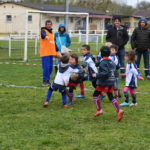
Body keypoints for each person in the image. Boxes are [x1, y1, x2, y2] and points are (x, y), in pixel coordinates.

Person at [92, 46, 124, 121]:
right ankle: (119, 110)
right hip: (111, 81)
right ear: (109, 53)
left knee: (95, 95)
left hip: (104, 82)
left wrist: (97, 75)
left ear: (101, 54)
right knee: (110, 96)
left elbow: (105, 72)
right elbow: (117, 67)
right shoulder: (111, 61)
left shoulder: (103, 62)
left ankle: (99, 110)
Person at [40, 20, 60, 86]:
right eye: (48, 24)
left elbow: (54, 43)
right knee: (46, 67)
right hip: (45, 53)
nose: (49, 25)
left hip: (51, 53)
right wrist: (45, 36)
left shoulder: (52, 33)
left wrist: (57, 50)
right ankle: (45, 81)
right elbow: (43, 35)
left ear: (52, 25)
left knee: (50, 68)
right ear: (46, 25)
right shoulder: (43, 30)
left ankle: (47, 80)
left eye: (50, 24)